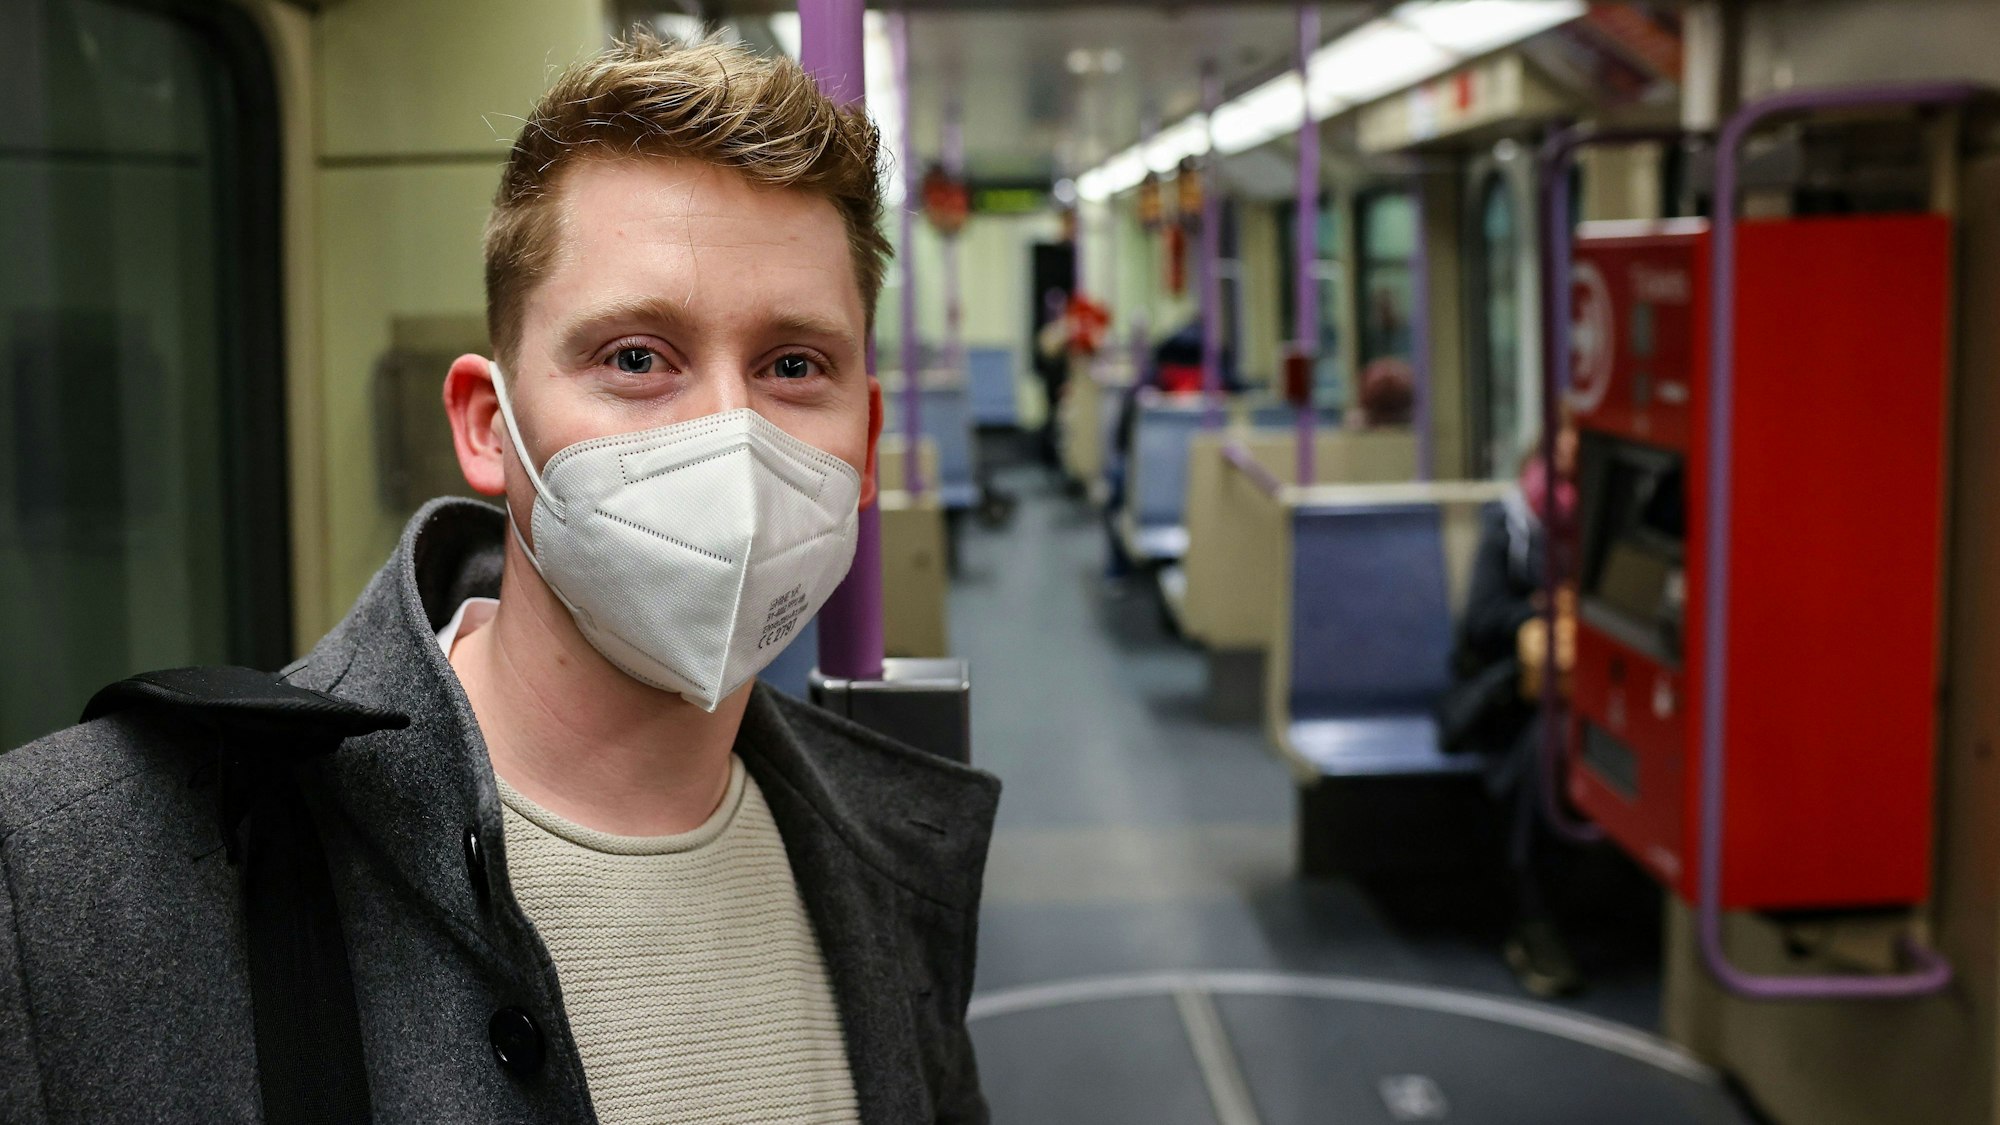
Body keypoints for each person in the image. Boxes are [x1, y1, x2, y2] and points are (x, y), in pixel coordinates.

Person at [0, 35, 999, 1123]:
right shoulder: (81, 876)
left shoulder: (887, 862)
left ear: (865, 441)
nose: (731, 438)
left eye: (793, 366)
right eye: (634, 357)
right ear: (488, 428)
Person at [1439, 417, 1581, 998]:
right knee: (1548, 746)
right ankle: (1534, 916)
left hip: (1582, 686)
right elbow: (1479, 621)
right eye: (1571, 433)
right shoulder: (1512, 521)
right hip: (1510, 692)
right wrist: (1542, 609)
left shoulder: (1612, 521)